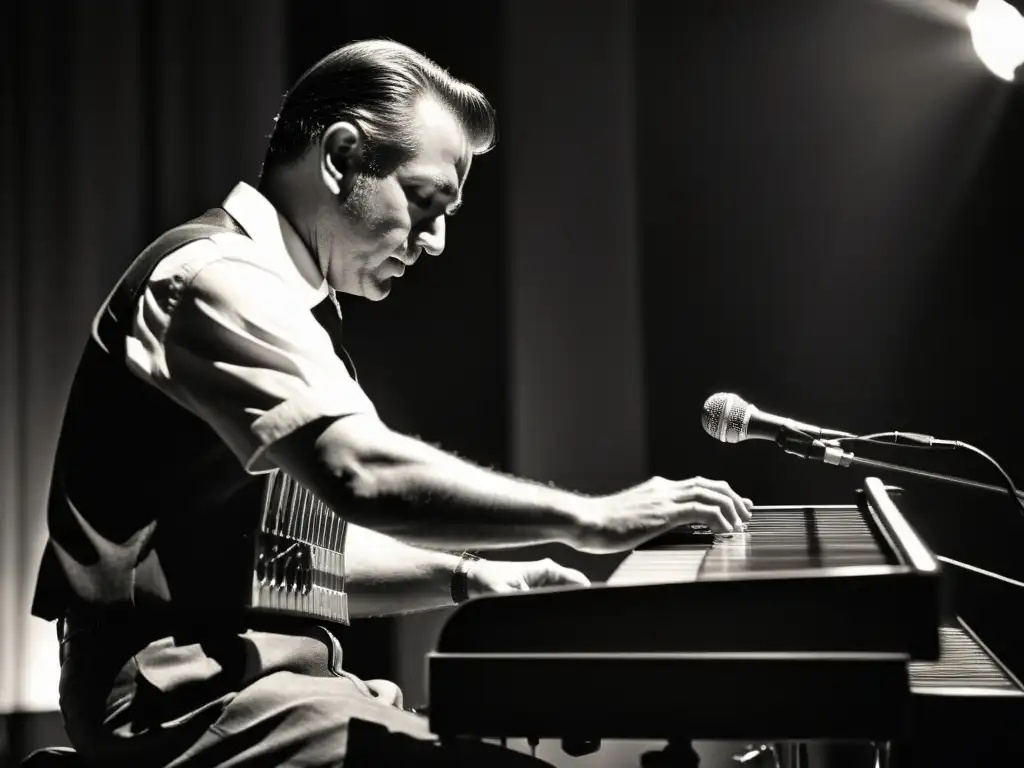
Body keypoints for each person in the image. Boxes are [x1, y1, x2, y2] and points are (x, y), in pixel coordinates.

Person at [30, 39, 752, 767]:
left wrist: (471, 576)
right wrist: (590, 518)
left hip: (268, 691)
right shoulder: (214, 279)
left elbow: (290, 556)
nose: (436, 242)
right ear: (342, 156)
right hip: (182, 704)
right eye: (423, 200)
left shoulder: (292, 302)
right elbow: (362, 474)